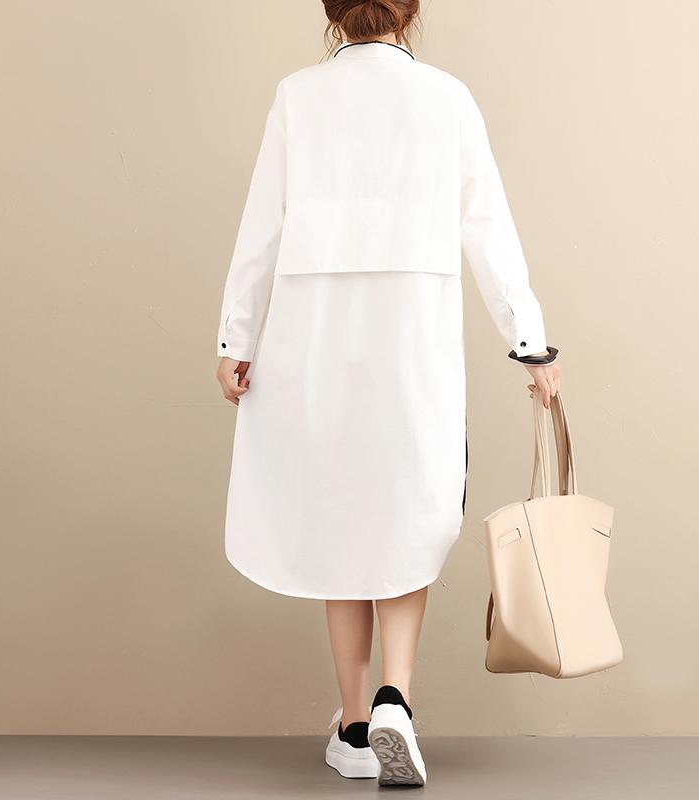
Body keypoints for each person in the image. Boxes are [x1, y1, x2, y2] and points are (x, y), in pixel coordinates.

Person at [214, 0, 561, 787]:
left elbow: (262, 226)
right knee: (407, 510)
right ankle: (395, 696)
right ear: (411, 11)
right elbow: (487, 226)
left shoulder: (298, 96)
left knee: (339, 516)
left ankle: (354, 726)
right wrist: (529, 341)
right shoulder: (447, 97)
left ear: (332, 12)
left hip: (313, 339)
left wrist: (236, 338)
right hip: (413, 338)